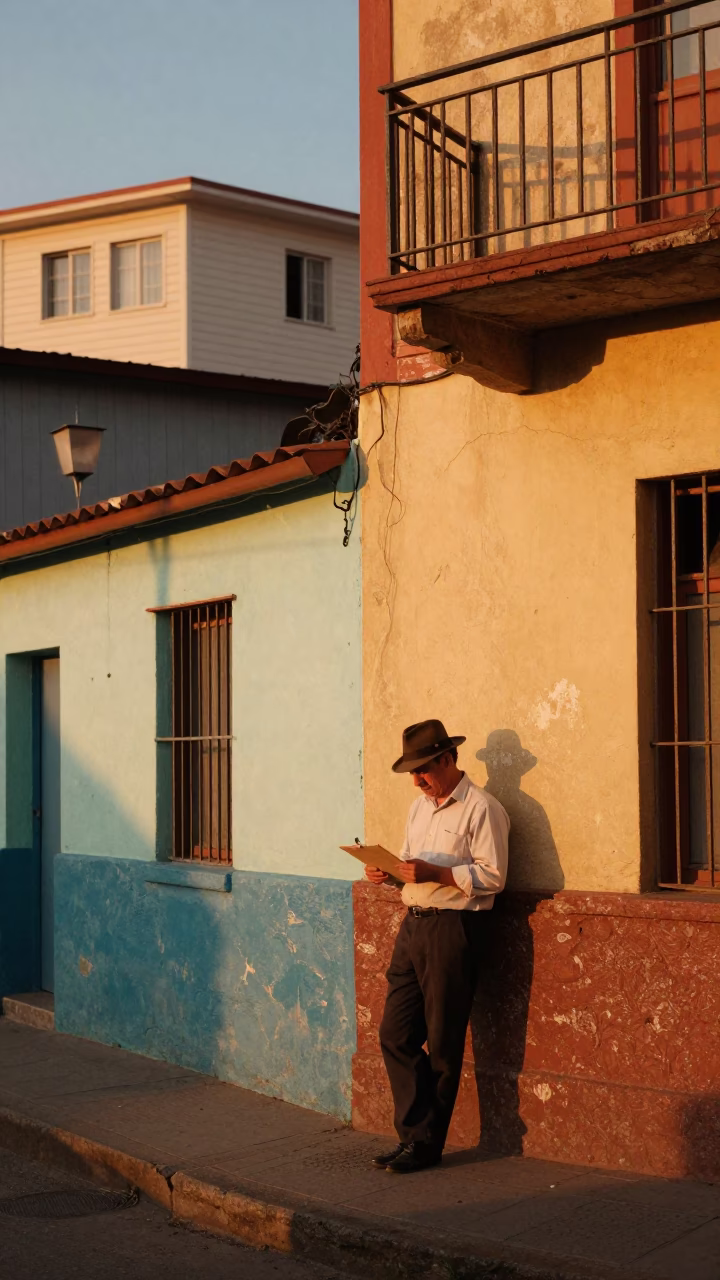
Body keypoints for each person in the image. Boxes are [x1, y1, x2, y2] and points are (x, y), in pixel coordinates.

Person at [365, 719, 510, 1174]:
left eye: (424, 769)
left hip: (455, 928)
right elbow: (412, 866)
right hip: (414, 924)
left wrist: (438, 874)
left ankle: (425, 1145)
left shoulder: (482, 808)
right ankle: (414, 1134)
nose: (417, 780)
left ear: (448, 760)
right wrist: (387, 873)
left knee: (444, 1042)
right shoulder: (419, 809)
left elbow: (494, 876)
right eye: (412, 772)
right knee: (395, 1033)